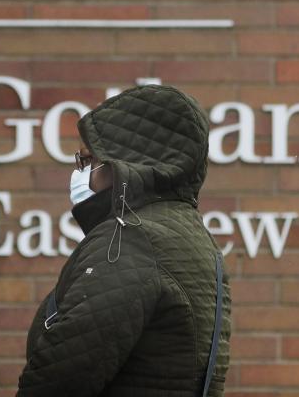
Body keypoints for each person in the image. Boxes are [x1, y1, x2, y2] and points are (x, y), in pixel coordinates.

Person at [16, 84, 231, 397]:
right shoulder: (194, 238)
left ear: (124, 165)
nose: (79, 173)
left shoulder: (132, 240)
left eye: (87, 160)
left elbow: (61, 375)